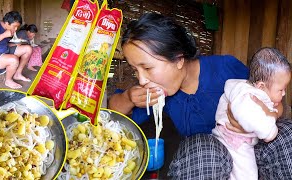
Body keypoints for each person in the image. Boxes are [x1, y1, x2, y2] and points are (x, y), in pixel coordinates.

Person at [108, 12, 292, 179]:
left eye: (147, 68)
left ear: (179, 59)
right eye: (135, 70)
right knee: (201, 148)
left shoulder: (226, 68)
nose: (141, 79)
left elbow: (277, 104)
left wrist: (262, 117)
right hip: (209, 163)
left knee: (286, 135)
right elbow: (112, 112)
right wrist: (128, 98)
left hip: (253, 148)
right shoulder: (156, 93)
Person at [212, 47, 291, 180]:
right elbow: (262, 128)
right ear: (261, 86)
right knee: (247, 174)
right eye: (281, 89)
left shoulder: (254, 90)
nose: (284, 94)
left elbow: (274, 110)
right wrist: (270, 131)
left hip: (238, 138)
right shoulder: (248, 98)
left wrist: (271, 113)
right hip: (235, 143)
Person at [0, 11, 32, 89]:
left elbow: (4, 44)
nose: (16, 29)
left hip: (4, 51)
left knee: (28, 48)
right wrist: (4, 35)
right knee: (13, 59)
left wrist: (15, 44)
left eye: (17, 27)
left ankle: (18, 74)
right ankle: (8, 80)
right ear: (7, 23)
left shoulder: (8, 29)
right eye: (14, 26)